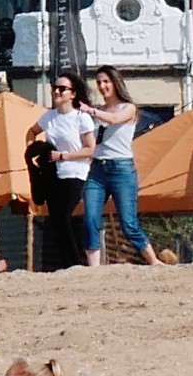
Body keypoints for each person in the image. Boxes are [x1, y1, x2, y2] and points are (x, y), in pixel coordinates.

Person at [83, 69, 147, 266]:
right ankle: (93, 267)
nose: (102, 86)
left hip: (121, 168)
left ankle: (152, 259)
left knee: (128, 223)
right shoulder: (99, 110)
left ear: (115, 83)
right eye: (99, 82)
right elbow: (92, 140)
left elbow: (115, 120)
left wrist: (92, 111)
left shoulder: (128, 108)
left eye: (106, 82)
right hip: (98, 169)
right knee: (90, 218)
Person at [34, 86, 97, 263]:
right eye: (54, 88)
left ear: (73, 93)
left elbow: (90, 149)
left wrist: (63, 156)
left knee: (65, 215)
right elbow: (32, 131)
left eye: (62, 89)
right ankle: (66, 261)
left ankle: (76, 260)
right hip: (53, 173)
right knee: (56, 219)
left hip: (75, 171)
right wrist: (33, 149)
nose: (56, 92)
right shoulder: (49, 116)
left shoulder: (81, 118)